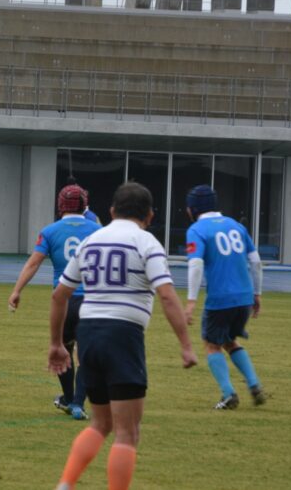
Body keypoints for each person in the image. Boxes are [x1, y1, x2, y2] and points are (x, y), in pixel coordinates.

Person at [47, 182, 197, 490]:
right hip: (123, 335)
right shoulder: (147, 242)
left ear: (112, 211)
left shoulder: (90, 241)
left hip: (89, 334)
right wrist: (185, 345)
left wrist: (56, 344)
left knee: (100, 423)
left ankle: (65, 484)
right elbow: (167, 295)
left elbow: (59, 295)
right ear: (150, 215)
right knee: (128, 432)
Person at [9, 184, 100, 420]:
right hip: (91, 301)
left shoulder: (49, 231)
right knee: (86, 354)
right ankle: (78, 402)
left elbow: (33, 263)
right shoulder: (98, 230)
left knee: (62, 349)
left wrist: (17, 291)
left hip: (63, 301)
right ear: (84, 204)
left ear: (60, 205)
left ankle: (69, 399)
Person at [182, 185, 268, 410]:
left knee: (212, 345)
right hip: (244, 297)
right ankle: (254, 384)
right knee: (230, 341)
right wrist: (257, 293)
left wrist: (191, 301)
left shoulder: (196, 230)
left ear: (194, 208)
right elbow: (256, 262)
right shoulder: (236, 225)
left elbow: (196, 264)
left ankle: (229, 394)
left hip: (220, 298)